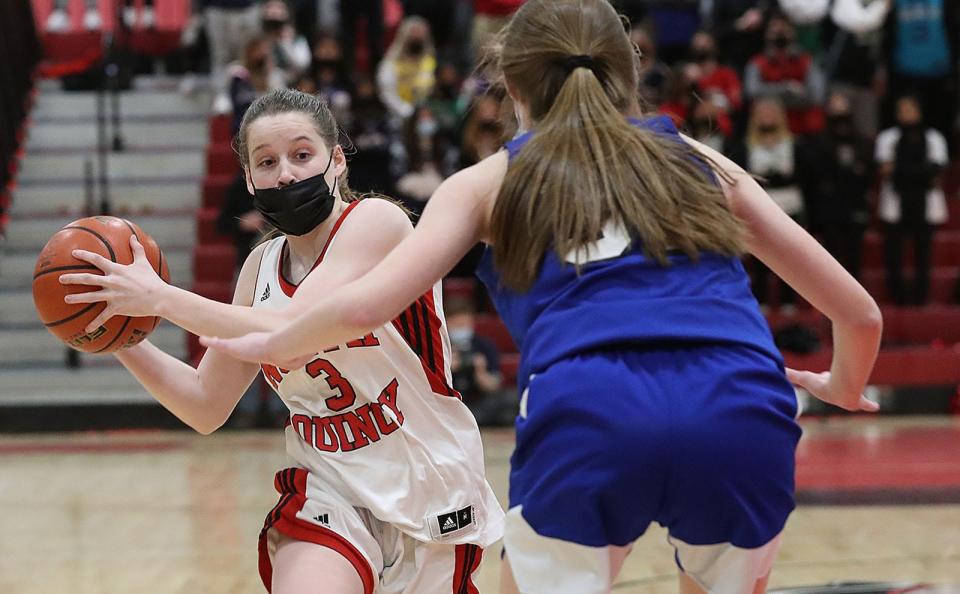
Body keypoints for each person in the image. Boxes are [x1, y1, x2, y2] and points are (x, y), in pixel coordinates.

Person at [201, 1, 882, 592]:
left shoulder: (485, 183)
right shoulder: (704, 162)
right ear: (629, 74)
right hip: (742, 405)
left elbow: (357, 308)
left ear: (512, 87)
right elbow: (859, 313)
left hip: (593, 408)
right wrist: (845, 385)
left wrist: (264, 338)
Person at [59, 88, 503, 594]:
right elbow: (206, 405)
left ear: (336, 160)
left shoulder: (377, 223)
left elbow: (290, 336)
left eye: (301, 155)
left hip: (429, 481)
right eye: (266, 162)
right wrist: (114, 329)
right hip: (329, 487)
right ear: (249, 179)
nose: (285, 174)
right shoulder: (259, 268)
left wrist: (159, 298)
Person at [875, 94, 949, 305]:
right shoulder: (887, 137)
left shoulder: (934, 137)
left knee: (923, 253)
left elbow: (936, 172)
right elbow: (885, 169)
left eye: (910, 109)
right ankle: (897, 296)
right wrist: (919, 172)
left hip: (925, 202)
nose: (906, 114)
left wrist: (902, 170)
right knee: (894, 253)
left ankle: (921, 297)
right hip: (896, 202)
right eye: (902, 109)